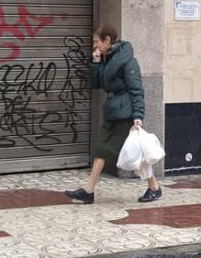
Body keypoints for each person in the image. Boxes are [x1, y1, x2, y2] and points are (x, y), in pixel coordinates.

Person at [64, 25, 162, 204]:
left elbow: (137, 89)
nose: (94, 45)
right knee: (102, 148)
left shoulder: (127, 60)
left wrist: (138, 115)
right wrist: (95, 63)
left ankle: (154, 187)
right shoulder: (106, 59)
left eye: (97, 41)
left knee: (135, 151)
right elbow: (96, 84)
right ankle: (89, 190)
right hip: (112, 110)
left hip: (125, 114)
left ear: (107, 40)